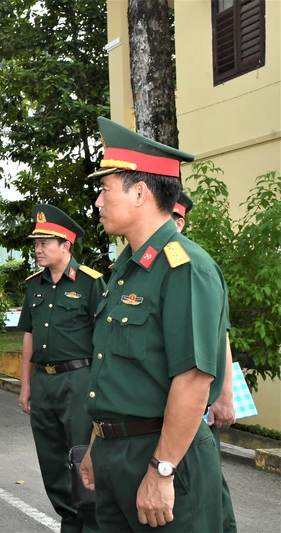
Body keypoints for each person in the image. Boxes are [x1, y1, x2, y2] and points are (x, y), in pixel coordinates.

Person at [80, 117, 229, 532]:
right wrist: (97, 443)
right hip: (116, 454)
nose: (98, 202)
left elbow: (194, 379)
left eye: (105, 190)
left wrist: (162, 471)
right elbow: (115, 371)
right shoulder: (126, 269)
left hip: (162, 455)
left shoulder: (185, 268)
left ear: (141, 192)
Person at [18, 205, 104, 533]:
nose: (38, 249)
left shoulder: (90, 283)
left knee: (83, 456)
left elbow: (103, 341)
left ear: (66, 245)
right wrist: (26, 385)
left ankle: (91, 523)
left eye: (45, 243)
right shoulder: (34, 285)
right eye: (36, 243)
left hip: (78, 380)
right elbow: (29, 335)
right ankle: (69, 520)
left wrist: (98, 389)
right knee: (51, 460)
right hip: (43, 382)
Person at [172, 191, 237, 533]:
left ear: (179, 222)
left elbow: (220, 337)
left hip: (199, 399)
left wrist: (226, 395)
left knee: (207, 481)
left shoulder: (197, 267)